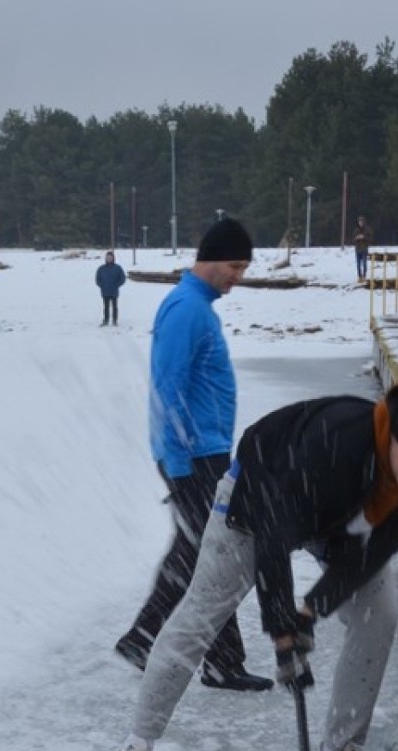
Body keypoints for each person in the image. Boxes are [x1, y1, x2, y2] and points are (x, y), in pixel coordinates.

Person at [109, 382, 398, 751]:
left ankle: (339, 749)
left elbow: (373, 551)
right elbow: (272, 538)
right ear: (394, 436)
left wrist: (309, 612)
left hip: (344, 522)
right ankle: (138, 744)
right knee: (200, 615)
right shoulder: (334, 442)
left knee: (380, 614)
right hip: (258, 499)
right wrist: (283, 630)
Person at [114, 217, 271, 692]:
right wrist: (181, 462)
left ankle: (152, 641)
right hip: (194, 456)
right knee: (213, 556)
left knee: (200, 553)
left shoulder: (197, 306)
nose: (237, 276)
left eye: (243, 267)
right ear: (209, 258)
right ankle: (188, 652)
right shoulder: (187, 309)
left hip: (203, 453)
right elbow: (167, 387)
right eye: (234, 265)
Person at [95, 250, 126, 326]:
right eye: (108, 257)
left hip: (114, 291)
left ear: (113, 258)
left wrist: (117, 285)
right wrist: (102, 285)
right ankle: (106, 320)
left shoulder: (118, 268)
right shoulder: (101, 268)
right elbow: (97, 279)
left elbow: (123, 278)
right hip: (105, 291)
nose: (109, 259)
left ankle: (115, 320)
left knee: (115, 306)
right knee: (106, 307)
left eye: (110, 257)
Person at [353, 216, 372, 281]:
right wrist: (356, 238)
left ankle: (364, 276)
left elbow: (370, 239)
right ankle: (359, 277)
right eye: (359, 222)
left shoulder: (367, 229)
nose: (360, 223)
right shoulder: (356, 230)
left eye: (361, 222)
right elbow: (353, 240)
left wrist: (364, 237)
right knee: (358, 265)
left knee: (364, 264)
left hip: (364, 249)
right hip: (358, 249)